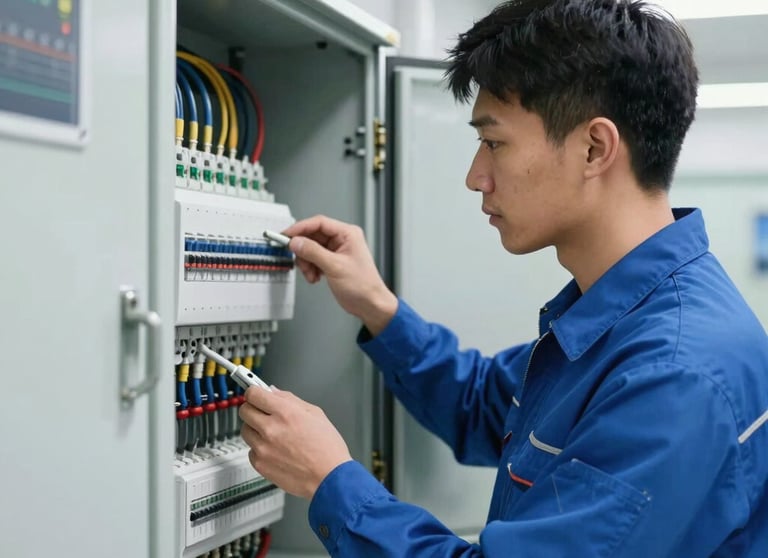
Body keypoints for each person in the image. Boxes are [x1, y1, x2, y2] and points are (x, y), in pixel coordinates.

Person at [238, 0, 768, 555]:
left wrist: (332, 483)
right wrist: (377, 306)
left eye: (493, 142)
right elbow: (482, 405)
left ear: (594, 148)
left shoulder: (672, 373)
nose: (476, 177)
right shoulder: (628, 318)